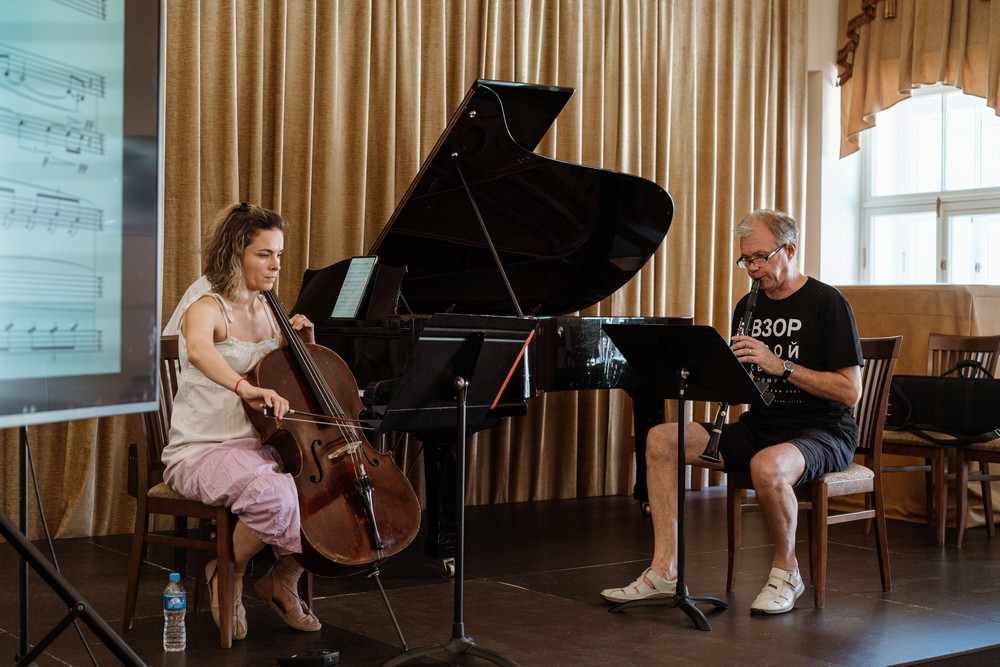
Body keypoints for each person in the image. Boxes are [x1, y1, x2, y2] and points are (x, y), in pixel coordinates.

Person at [600, 208, 863, 615]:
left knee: (767, 465)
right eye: (746, 260)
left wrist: (780, 365)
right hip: (761, 425)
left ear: (789, 250)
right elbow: (747, 388)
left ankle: (787, 572)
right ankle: (664, 570)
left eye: (760, 258)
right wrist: (723, 373)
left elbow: (849, 391)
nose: (753, 269)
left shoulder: (828, 303)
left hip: (823, 430)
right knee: (662, 439)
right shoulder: (748, 307)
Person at [161, 202, 322, 639]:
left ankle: (283, 578)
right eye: (264, 254)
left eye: (279, 254)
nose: (276, 265)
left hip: (260, 446)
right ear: (236, 254)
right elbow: (199, 350)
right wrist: (242, 387)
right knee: (277, 498)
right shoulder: (207, 307)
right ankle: (226, 573)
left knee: (333, 494)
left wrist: (301, 345)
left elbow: (279, 376)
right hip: (204, 449)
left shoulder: (269, 310)